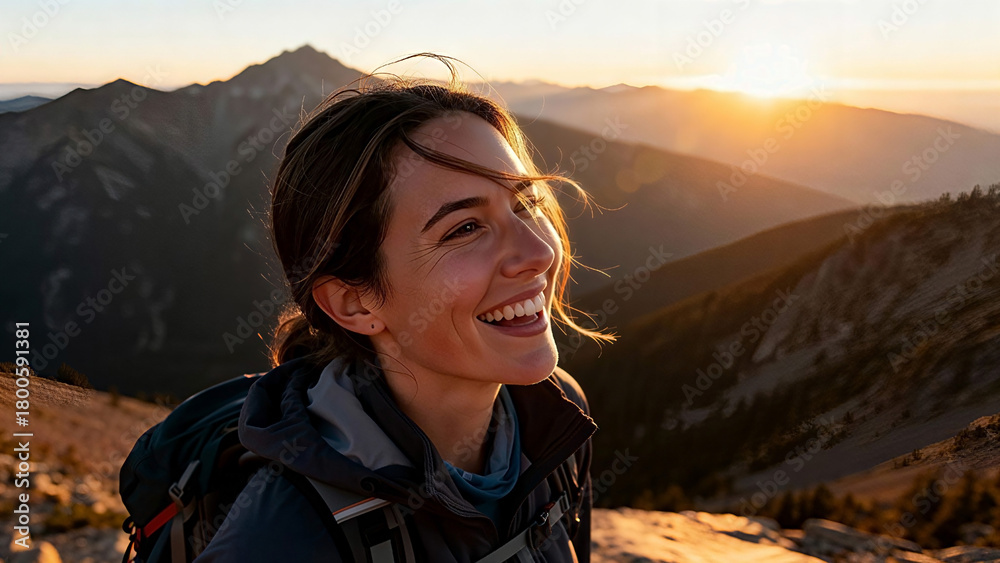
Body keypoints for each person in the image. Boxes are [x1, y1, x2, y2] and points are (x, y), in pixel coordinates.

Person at [194, 54, 616, 562]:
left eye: (525, 205)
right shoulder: (279, 544)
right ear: (355, 303)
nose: (540, 253)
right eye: (464, 228)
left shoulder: (556, 418)